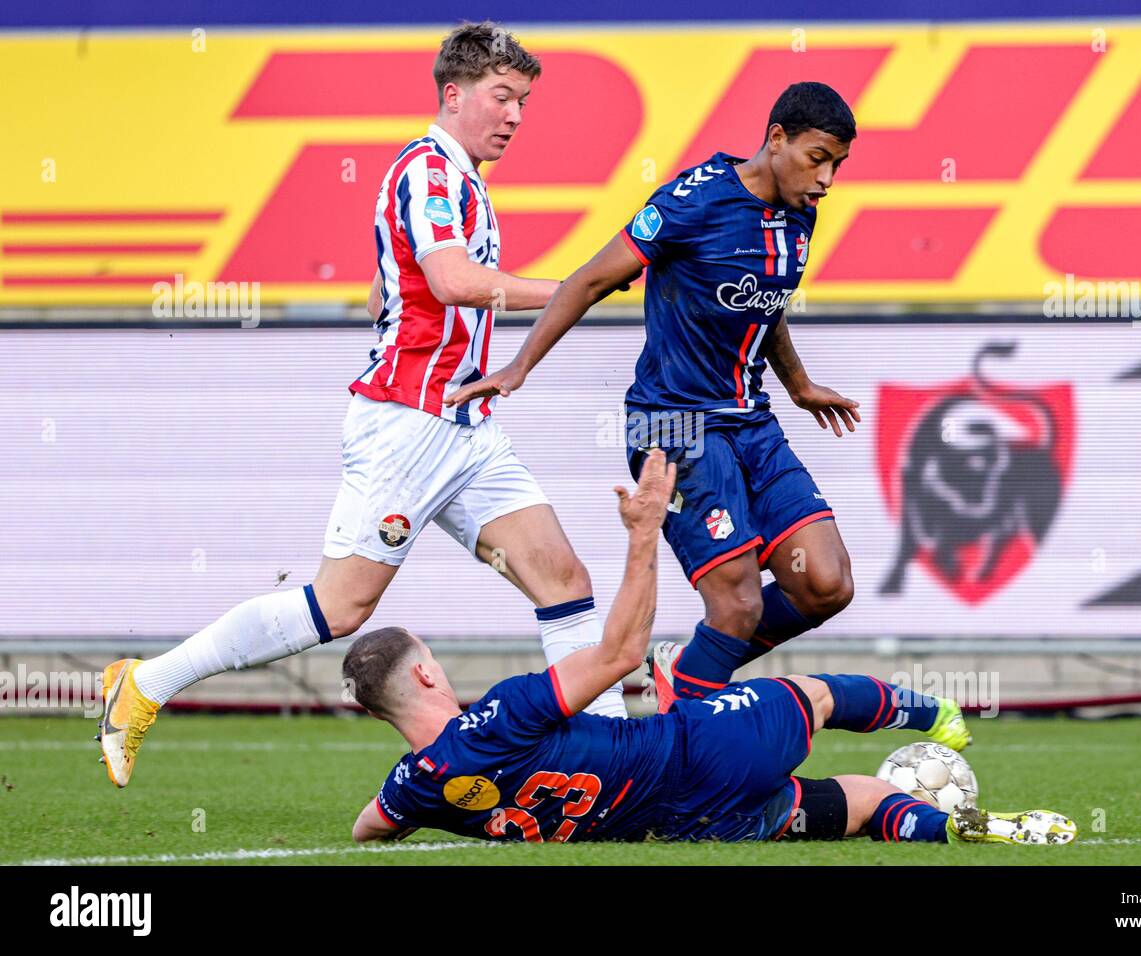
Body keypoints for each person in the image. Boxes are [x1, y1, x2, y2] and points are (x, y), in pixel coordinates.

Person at [98, 22, 627, 789]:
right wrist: (583, 286)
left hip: (464, 424)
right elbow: (451, 280)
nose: (516, 115)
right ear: (455, 94)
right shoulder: (429, 170)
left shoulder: (457, 178)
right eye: (502, 96)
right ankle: (146, 683)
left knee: (562, 577)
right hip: (411, 425)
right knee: (339, 607)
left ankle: (610, 762)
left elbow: (392, 286)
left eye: (524, 101)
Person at [347, 450, 1077, 847]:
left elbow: (368, 828)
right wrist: (643, 532)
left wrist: (413, 798)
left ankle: (958, 828)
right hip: (700, 751)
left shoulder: (414, 788)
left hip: (694, 824)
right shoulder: (501, 714)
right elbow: (617, 652)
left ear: (383, 713)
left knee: (856, 806)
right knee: (813, 696)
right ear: (426, 671)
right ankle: (937, 716)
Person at [448, 82, 866, 714]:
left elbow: (765, 301)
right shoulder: (690, 203)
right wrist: (518, 366)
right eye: (818, 158)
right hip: (673, 428)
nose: (827, 178)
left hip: (752, 422)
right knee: (738, 604)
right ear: (776, 139)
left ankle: (688, 669)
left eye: (837, 164)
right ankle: (684, 739)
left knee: (827, 586)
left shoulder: (798, 209)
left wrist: (798, 384)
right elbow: (590, 280)